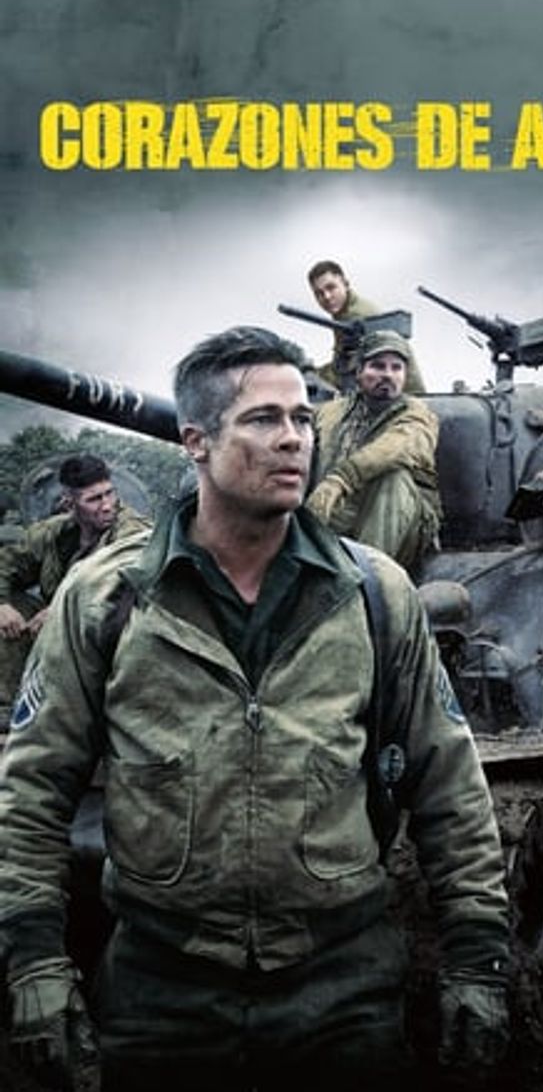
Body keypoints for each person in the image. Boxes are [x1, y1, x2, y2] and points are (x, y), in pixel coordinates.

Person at [0, 326, 510, 1092]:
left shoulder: (374, 594)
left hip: (342, 984)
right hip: (160, 987)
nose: (294, 438)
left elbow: (450, 787)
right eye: (263, 419)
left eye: (302, 418)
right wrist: (35, 961)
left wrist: (477, 956)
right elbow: (32, 791)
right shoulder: (106, 598)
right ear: (195, 441)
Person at [0, 454, 149, 728]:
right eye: (94, 499)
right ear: (69, 503)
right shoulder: (53, 533)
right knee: (12, 607)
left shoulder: (132, 531)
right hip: (55, 635)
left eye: (109, 494)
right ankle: (10, 714)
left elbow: (122, 584)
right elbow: (6, 563)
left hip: (110, 634)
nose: (107, 506)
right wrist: (2, 604)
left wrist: (60, 610)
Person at [307, 328, 442, 573]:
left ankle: (367, 580)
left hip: (401, 521)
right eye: (378, 366)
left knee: (393, 477)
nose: (388, 375)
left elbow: (395, 448)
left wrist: (340, 479)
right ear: (359, 371)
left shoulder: (418, 414)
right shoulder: (330, 412)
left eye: (396, 368)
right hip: (336, 512)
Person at [307, 259, 426, 394]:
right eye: (319, 293)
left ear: (345, 283)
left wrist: (312, 374)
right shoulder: (344, 313)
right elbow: (342, 364)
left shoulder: (355, 316)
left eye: (331, 288)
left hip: (401, 395)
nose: (327, 297)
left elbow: (346, 373)